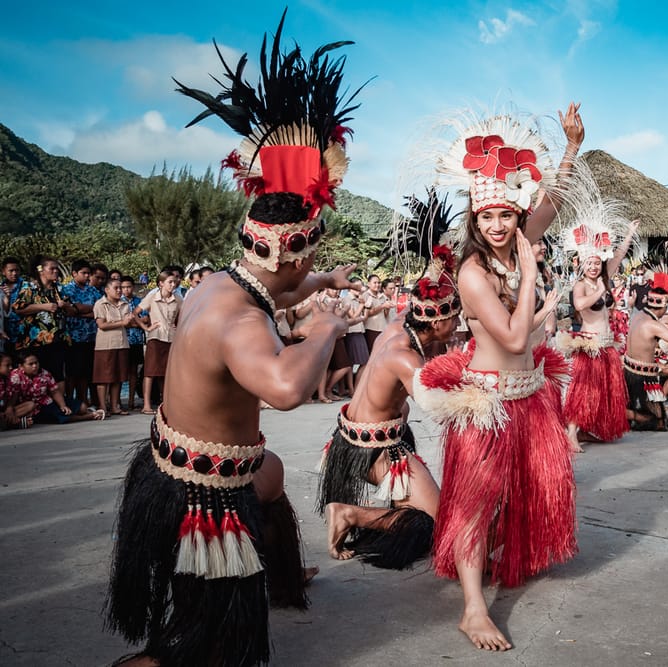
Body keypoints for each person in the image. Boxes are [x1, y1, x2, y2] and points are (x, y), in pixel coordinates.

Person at [106, 18, 360, 666]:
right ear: (285, 252)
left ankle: (279, 574)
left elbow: (271, 293)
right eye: (312, 257)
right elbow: (282, 388)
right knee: (206, 647)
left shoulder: (222, 285)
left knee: (269, 480)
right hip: (201, 496)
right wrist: (328, 323)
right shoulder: (244, 322)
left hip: (187, 465)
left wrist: (319, 281)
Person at [413, 102, 583, 651]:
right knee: (475, 503)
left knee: (526, 492)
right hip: (486, 402)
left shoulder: (518, 240)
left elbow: (551, 205)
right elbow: (512, 339)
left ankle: (493, 564)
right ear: (474, 220)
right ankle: (471, 609)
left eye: (507, 216)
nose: (498, 225)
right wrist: (533, 279)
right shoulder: (471, 272)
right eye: (487, 218)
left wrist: (572, 147)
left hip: (530, 393)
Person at [320, 238, 460, 569]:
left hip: (362, 439)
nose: (457, 326)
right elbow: (438, 408)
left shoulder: (401, 323)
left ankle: (380, 507)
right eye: (455, 318)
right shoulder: (406, 358)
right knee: (434, 522)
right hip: (373, 450)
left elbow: (424, 292)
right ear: (437, 323)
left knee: (425, 509)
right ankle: (350, 513)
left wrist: (440, 265)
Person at [557, 215, 638, 450]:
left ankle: (587, 429)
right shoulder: (581, 285)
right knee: (583, 390)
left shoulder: (603, 277)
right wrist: (601, 289)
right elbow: (580, 305)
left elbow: (620, 254)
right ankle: (571, 433)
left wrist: (630, 233)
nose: (594, 267)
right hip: (588, 343)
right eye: (590, 263)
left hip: (605, 343)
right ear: (582, 264)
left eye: (597, 263)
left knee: (603, 390)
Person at [623, 272, 668, 430]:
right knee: (658, 422)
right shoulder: (653, 325)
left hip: (629, 372)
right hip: (643, 377)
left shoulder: (638, 315)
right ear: (665, 306)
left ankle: (629, 412)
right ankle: (623, 413)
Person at [11, 256, 74, 386]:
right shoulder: (30, 287)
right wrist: (43, 307)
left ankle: (60, 405)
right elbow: (18, 308)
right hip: (35, 340)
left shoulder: (59, 288)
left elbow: (73, 311)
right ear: (41, 270)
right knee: (38, 374)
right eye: (52, 268)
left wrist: (66, 306)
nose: (56, 271)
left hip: (58, 338)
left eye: (57, 268)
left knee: (58, 374)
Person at [10, 352, 104, 423]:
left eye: (36, 363)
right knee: (61, 417)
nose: (35, 366)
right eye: (31, 364)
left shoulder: (45, 374)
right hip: (34, 408)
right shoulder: (15, 377)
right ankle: (89, 416)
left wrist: (63, 405)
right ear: (21, 366)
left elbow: (55, 391)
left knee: (82, 407)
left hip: (47, 401)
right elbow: (13, 395)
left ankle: (86, 412)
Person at [137, 270, 181, 415]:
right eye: (170, 282)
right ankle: (147, 404)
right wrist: (146, 327)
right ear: (161, 283)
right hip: (155, 336)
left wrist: (177, 325)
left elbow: (183, 315)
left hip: (171, 337)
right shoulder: (152, 297)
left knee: (165, 372)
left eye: (174, 282)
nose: (173, 285)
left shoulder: (178, 299)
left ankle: (165, 403)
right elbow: (134, 313)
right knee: (150, 372)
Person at [61, 259, 102, 405]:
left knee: (86, 371)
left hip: (91, 336)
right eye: (83, 273)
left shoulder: (93, 290)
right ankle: (70, 402)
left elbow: (99, 310)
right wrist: (82, 309)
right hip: (74, 336)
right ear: (74, 273)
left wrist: (80, 311)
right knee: (73, 372)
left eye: (88, 273)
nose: (87, 276)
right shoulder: (67, 290)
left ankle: (83, 401)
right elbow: (70, 310)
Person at [93, 278, 135, 415]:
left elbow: (128, 323)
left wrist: (126, 322)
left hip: (122, 343)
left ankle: (115, 405)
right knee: (103, 378)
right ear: (107, 290)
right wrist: (122, 322)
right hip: (105, 345)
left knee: (118, 376)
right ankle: (102, 406)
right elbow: (102, 325)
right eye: (116, 288)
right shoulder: (100, 304)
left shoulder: (125, 304)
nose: (119, 291)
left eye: (120, 288)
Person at [120, 276, 145, 411]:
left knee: (133, 371)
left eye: (128, 287)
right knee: (120, 371)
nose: (126, 290)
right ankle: (116, 401)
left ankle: (131, 399)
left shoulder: (139, 301)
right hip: (123, 340)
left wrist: (132, 323)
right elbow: (121, 321)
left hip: (136, 340)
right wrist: (137, 322)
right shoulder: (119, 302)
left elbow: (146, 319)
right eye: (123, 287)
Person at [1, 352, 36, 429]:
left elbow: (13, 395)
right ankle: (14, 423)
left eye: (11, 365)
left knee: (30, 405)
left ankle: (7, 422)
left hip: (5, 411)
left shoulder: (9, 378)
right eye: (7, 366)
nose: (11, 368)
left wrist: (9, 408)